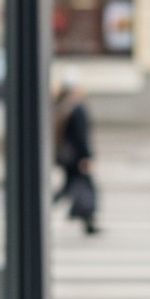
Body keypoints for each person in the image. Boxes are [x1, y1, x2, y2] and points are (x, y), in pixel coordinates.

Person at [52, 78, 98, 235]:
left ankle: (87, 220)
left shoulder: (62, 107)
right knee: (84, 187)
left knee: (70, 186)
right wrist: (86, 156)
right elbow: (81, 136)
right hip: (75, 157)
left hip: (67, 157)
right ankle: (87, 219)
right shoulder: (76, 108)